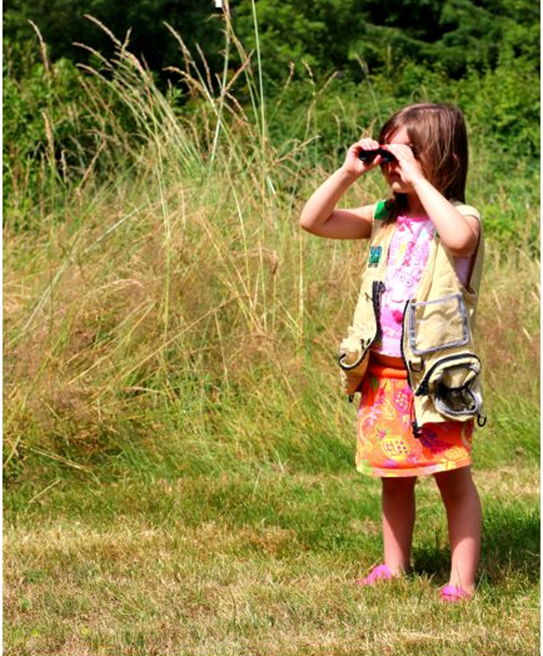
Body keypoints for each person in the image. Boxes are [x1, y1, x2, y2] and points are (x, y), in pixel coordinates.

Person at [299, 103, 484, 603]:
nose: (392, 167)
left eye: (404, 155)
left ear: (439, 158)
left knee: (452, 477)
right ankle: (394, 564)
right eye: (388, 155)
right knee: (393, 476)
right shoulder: (384, 217)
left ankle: (461, 581)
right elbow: (312, 221)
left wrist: (421, 180)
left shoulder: (460, 217)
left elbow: (460, 240)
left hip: (436, 381)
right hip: (383, 374)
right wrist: (348, 171)